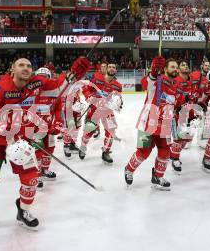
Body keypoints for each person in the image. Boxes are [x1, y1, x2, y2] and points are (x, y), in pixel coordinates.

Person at [0, 57, 90, 233]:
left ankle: (23, 211)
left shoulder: (37, 83)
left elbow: (59, 86)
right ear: (12, 69)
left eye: (29, 66)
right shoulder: (0, 88)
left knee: (31, 178)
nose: (26, 68)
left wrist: (74, 73)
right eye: (21, 65)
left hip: (20, 140)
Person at [124, 57, 181, 190]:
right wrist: (153, 73)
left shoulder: (176, 85)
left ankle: (158, 176)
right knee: (144, 151)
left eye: (176, 67)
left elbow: (176, 102)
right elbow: (145, 84)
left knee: (166, 151)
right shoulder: (158, 80)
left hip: (165, 123)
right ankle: (129, 169)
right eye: (172, 67)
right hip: (149, 121)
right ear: (165, 69)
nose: (175, 69)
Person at [79, 62, 123, 164]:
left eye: (114, 67)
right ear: (106, 69)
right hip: (94, 108)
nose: (112, 69)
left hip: (107, 110)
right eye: (110, 67)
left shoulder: (118, 86)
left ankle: (106, 152)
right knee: (89, 129)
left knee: (111, 130)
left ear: (116, 70)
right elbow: (86, 89)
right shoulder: (97, 78)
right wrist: (89, 97)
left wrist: (119, 103)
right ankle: (83, 146)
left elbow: (118, 98)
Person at [169, 60, 201, 174]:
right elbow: (172, 97)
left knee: (187, 138)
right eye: (183, 65)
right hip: (179, 113)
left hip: (190, 112)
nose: (186, 66)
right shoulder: (176, 81)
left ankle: (173, 153)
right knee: (180, 137)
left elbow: (196, 94)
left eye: (187, 64)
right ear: (178, 69)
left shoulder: (192, 80)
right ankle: (175, 158)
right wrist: (183, 99)